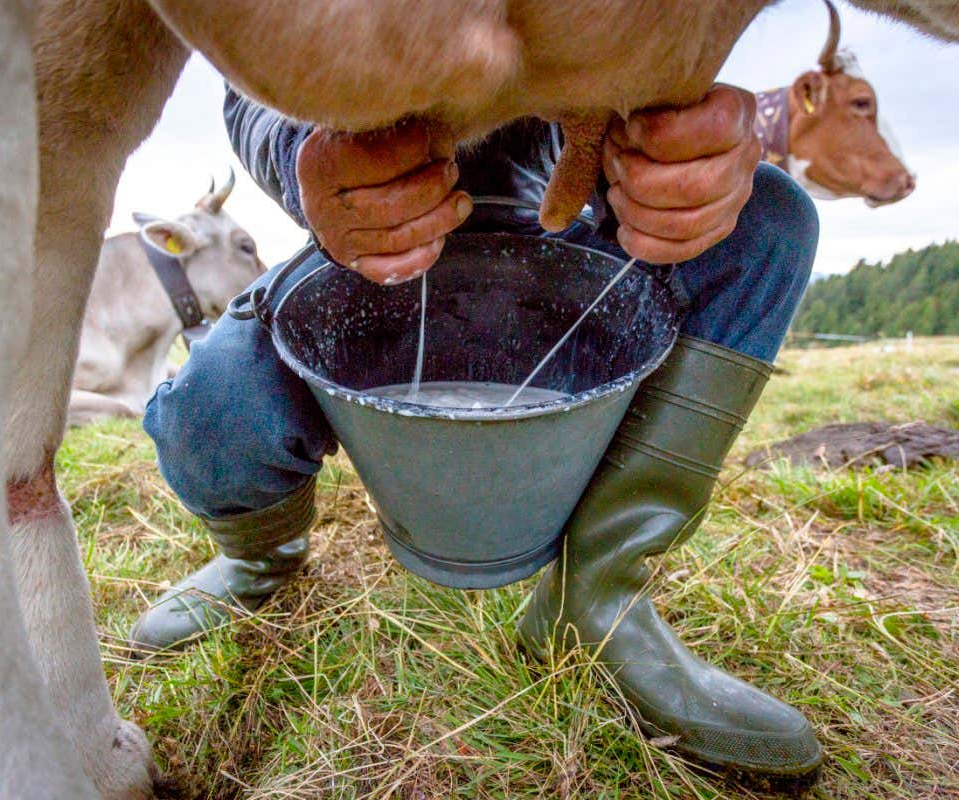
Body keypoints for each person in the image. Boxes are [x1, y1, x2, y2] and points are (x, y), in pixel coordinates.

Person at [130, 84, 822, 780]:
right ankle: (261, 558)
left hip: (551, 225)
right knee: (211, 409)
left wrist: (672, 151)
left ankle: (595, 602)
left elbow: (656, 55)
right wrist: (301, 154)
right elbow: (248, 81)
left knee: (770, 216)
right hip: (371, 253)